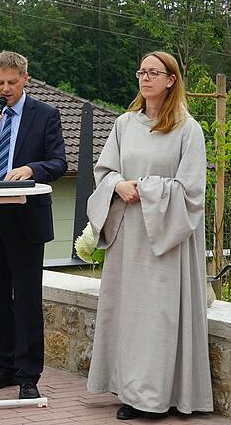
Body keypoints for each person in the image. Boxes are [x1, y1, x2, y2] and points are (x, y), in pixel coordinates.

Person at [86, 51, 213, 420]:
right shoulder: (125, 124)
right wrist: (118, 185)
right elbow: (105, 171)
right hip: (128, 236)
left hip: (165, 240)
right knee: (128, 315)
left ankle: (155, 397)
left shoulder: (188, 129)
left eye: (153, 72)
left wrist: (145, 188)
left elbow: (192, 192)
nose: (145, 78)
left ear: (171, 79)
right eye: (141, 71)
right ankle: (129, 390)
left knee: (158, 317)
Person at [0, 51, 67, 399]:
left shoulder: (46, 115)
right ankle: (3, 365)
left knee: (27, 298)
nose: (5, 89)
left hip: (26, 219)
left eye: (11, 83)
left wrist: (32, 169)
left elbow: (59, 162)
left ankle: (28, 375)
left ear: (25, 80)